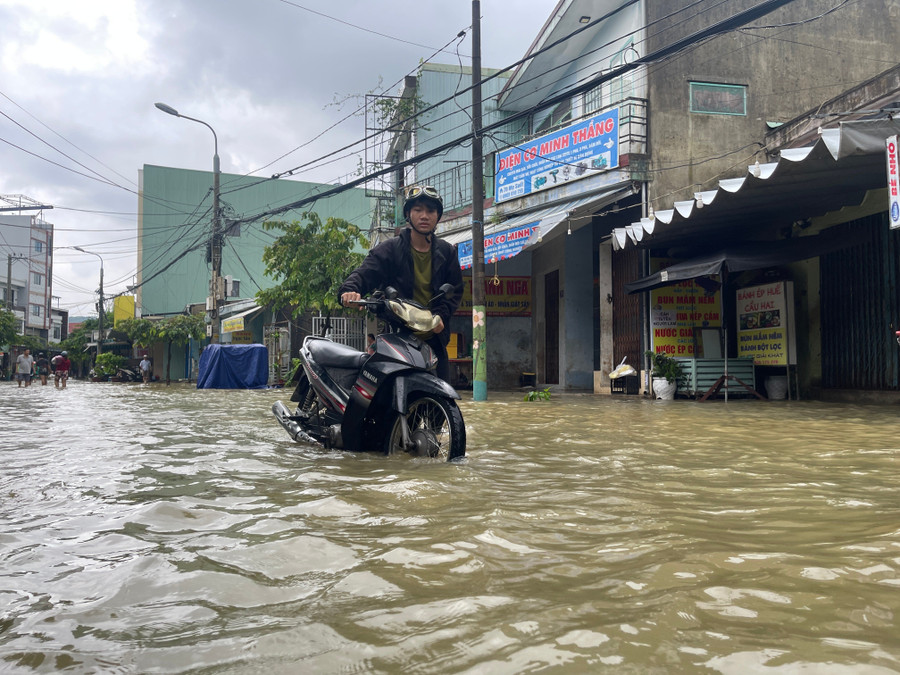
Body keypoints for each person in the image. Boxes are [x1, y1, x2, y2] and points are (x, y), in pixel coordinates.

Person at [339, 185, 463, 382]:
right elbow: (365, 272)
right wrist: (350, 290)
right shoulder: (390, 248)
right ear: (408, 214)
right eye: (418, 210)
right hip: (398, 334)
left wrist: (441, 315)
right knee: (383, 393)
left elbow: (455, 290)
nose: (424, 216)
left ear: (438, 216)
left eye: (430, 211)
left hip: (434, 337)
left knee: (443, 398)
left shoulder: (447, 252)